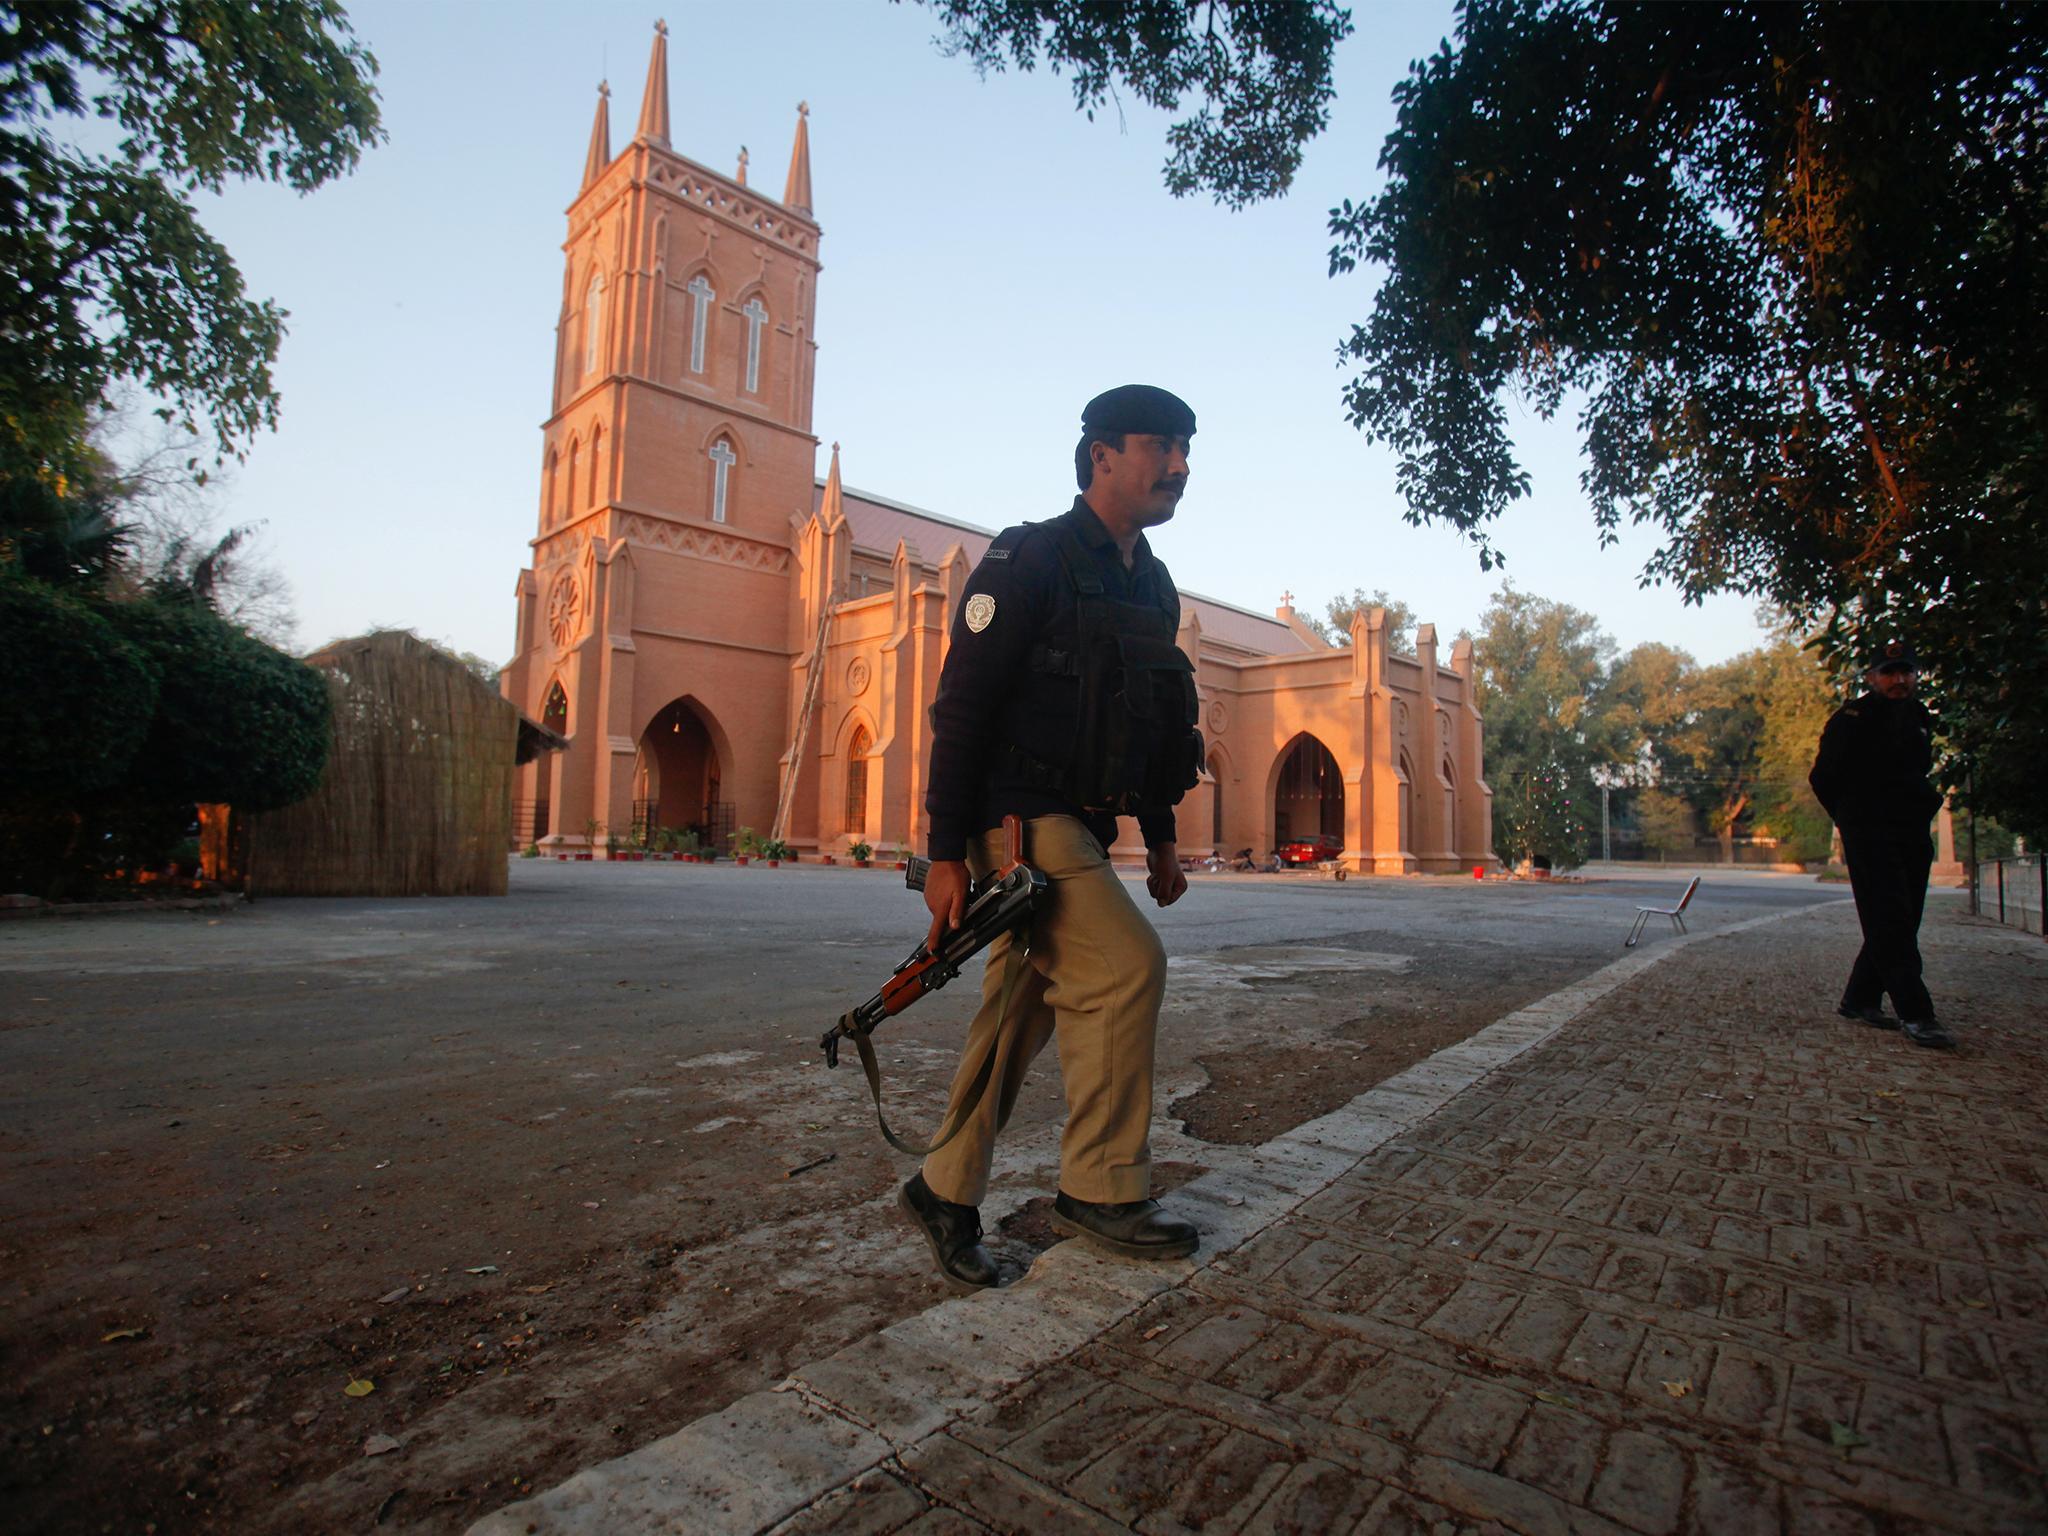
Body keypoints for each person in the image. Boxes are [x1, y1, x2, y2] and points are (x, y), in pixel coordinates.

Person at [898, 384, 1206, 1290]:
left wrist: (1160, 838)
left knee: (1021, 1006)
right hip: (1017, 820)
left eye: (1188, 451)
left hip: (1081, 823)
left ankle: (942, 1189)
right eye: (1162, 447)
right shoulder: (1027, 556)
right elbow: (960, 708)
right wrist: (946, 852)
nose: (1180, 467)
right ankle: (1102, 1188)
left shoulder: (1149, 581)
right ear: (1102, 454)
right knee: (1124, 967)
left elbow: (1157, 724)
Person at [1808, 640, 1952, 1048]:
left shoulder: (1919, 717)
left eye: (1906, 671)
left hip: (1910, 829)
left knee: (1906, 917)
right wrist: (1851, 820)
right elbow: (1823, 777)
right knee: (1889, 918)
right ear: (1871, 678)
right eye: (1888, 673)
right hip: (1870, 831)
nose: (1898, 679)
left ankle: (1860, 997)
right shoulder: (1853, 719)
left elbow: (1917, 770)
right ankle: (1917, 1013)